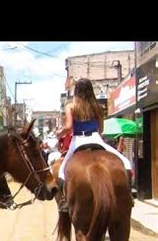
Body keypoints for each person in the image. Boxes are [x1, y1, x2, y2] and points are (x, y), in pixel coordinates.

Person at [55, 78, 132, 212]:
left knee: (62, 171)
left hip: (78, 140)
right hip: (96, 138)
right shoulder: (98, 106)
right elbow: (101, 129)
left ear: (76, 91)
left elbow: (68, 127)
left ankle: (65, 201)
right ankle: (128, 195)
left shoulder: (71, 106)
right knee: (126, 163)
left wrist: (59, 133)